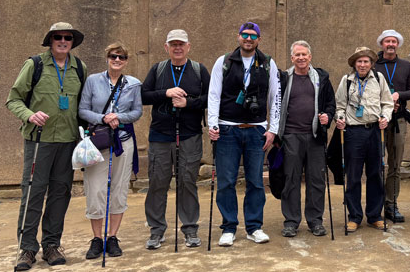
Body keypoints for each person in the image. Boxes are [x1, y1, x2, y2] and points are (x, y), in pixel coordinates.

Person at [6, 21, 88, 271]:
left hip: (67, 141)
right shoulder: (35, 65)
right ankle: (27, 248)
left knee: (60, 194)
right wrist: (29, 115)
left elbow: (82, 105)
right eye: (58, 37)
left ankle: (52, 245)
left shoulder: (79, 68)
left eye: (68, 37)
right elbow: (13, 100)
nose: (63, 41)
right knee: (33, 193)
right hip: (39, 141)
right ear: (50, 41)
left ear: (72, 42)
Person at [208, 21, 282, 247]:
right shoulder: (224, 62)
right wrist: (213, 125)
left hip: (256, 130)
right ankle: (229, 227)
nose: (248, 39)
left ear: (259, 40)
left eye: (253, 36)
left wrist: (273, 129)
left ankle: (254, 227)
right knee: (227, 181)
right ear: (238, 37)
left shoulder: (268, 63)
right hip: (227, 129)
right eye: (244, 35)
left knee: (256, 182)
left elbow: (275, 97)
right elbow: (214, 94)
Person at [141, 29, 211, 249]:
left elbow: (211, 98)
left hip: (190, 135)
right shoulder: (158, 69)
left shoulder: (199, 71)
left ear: (188, 46)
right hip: (160, 136)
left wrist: (188, 103)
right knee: (157, 183)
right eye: (173, 44)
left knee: (187, 182)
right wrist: (166, 93)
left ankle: (190, 229)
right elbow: (143, 95)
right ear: (166, 47)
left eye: (181, 44)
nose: (177, 48)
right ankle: (157, 230)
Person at [78, 42, 142, 259]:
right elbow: (83, 109)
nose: (117, 60)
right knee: (95, 189)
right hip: (98, 141)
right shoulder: (93, 81)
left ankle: (112, 237)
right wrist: (103, 118)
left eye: (122, 57)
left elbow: (137, 111)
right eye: (114, 56)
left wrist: (119, 117)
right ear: (107, 58)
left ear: (126, 61)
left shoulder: (133, 84)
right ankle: (97, 238)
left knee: (119, 188)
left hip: (123, 141)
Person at [275, 40, 336, 238]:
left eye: (304, 55)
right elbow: (275, 104)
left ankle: (315, 220)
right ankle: (291, 221)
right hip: (291, 135)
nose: (301, 58)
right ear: (292, 58)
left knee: (316, 179)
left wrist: (327, 116)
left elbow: (330, 104)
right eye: (297, 55)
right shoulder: (283, 78)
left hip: (316, 136)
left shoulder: (322, 78)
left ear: (310, 57)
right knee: (291, 179)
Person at [335, 46, 393, 232]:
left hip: (375, 130)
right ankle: (354, 216)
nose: (362, 64)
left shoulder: (379, 79)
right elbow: (340, 106)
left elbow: (387, 103)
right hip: (353, 133)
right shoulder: (346, 81)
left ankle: (375, 215)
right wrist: (340, 119)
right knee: (353, 175)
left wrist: (385, 116)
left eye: (366, 61)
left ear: (371, 63)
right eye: (359, 61)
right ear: (354, 63)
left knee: (375, 173)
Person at [374, 30, 410, 223]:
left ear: (397, 44)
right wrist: (384, 102)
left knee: (395, 164)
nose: (390, 44)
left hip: (398, 120)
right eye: (387, 41)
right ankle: (375, 205)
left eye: (394, 41)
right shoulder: (374, 65)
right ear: (382, 44)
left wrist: (398, 95)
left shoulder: (406, 65)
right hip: (377, 121)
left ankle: (391, 204)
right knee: (376, 163)